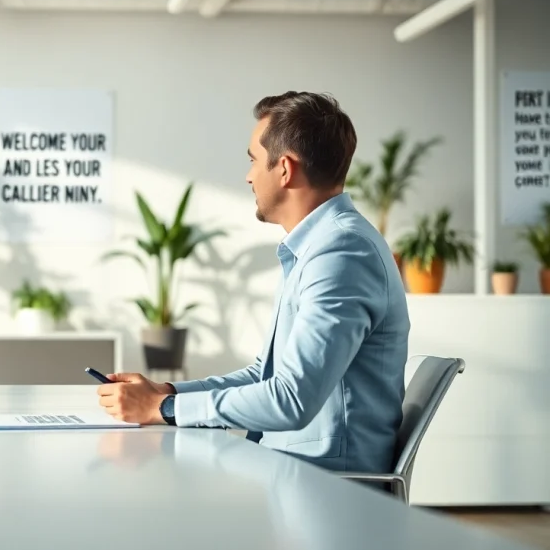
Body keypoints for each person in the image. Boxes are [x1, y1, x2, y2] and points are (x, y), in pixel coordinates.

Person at [97, 91, 409, 474]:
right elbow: (267, 375)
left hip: (327, 486)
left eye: (253, 161)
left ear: (285, 169)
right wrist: (169, 393)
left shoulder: (341, 253)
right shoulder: (318, 246)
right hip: (294, 468)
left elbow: (291, 399)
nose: (247, 175)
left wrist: (162, 410)